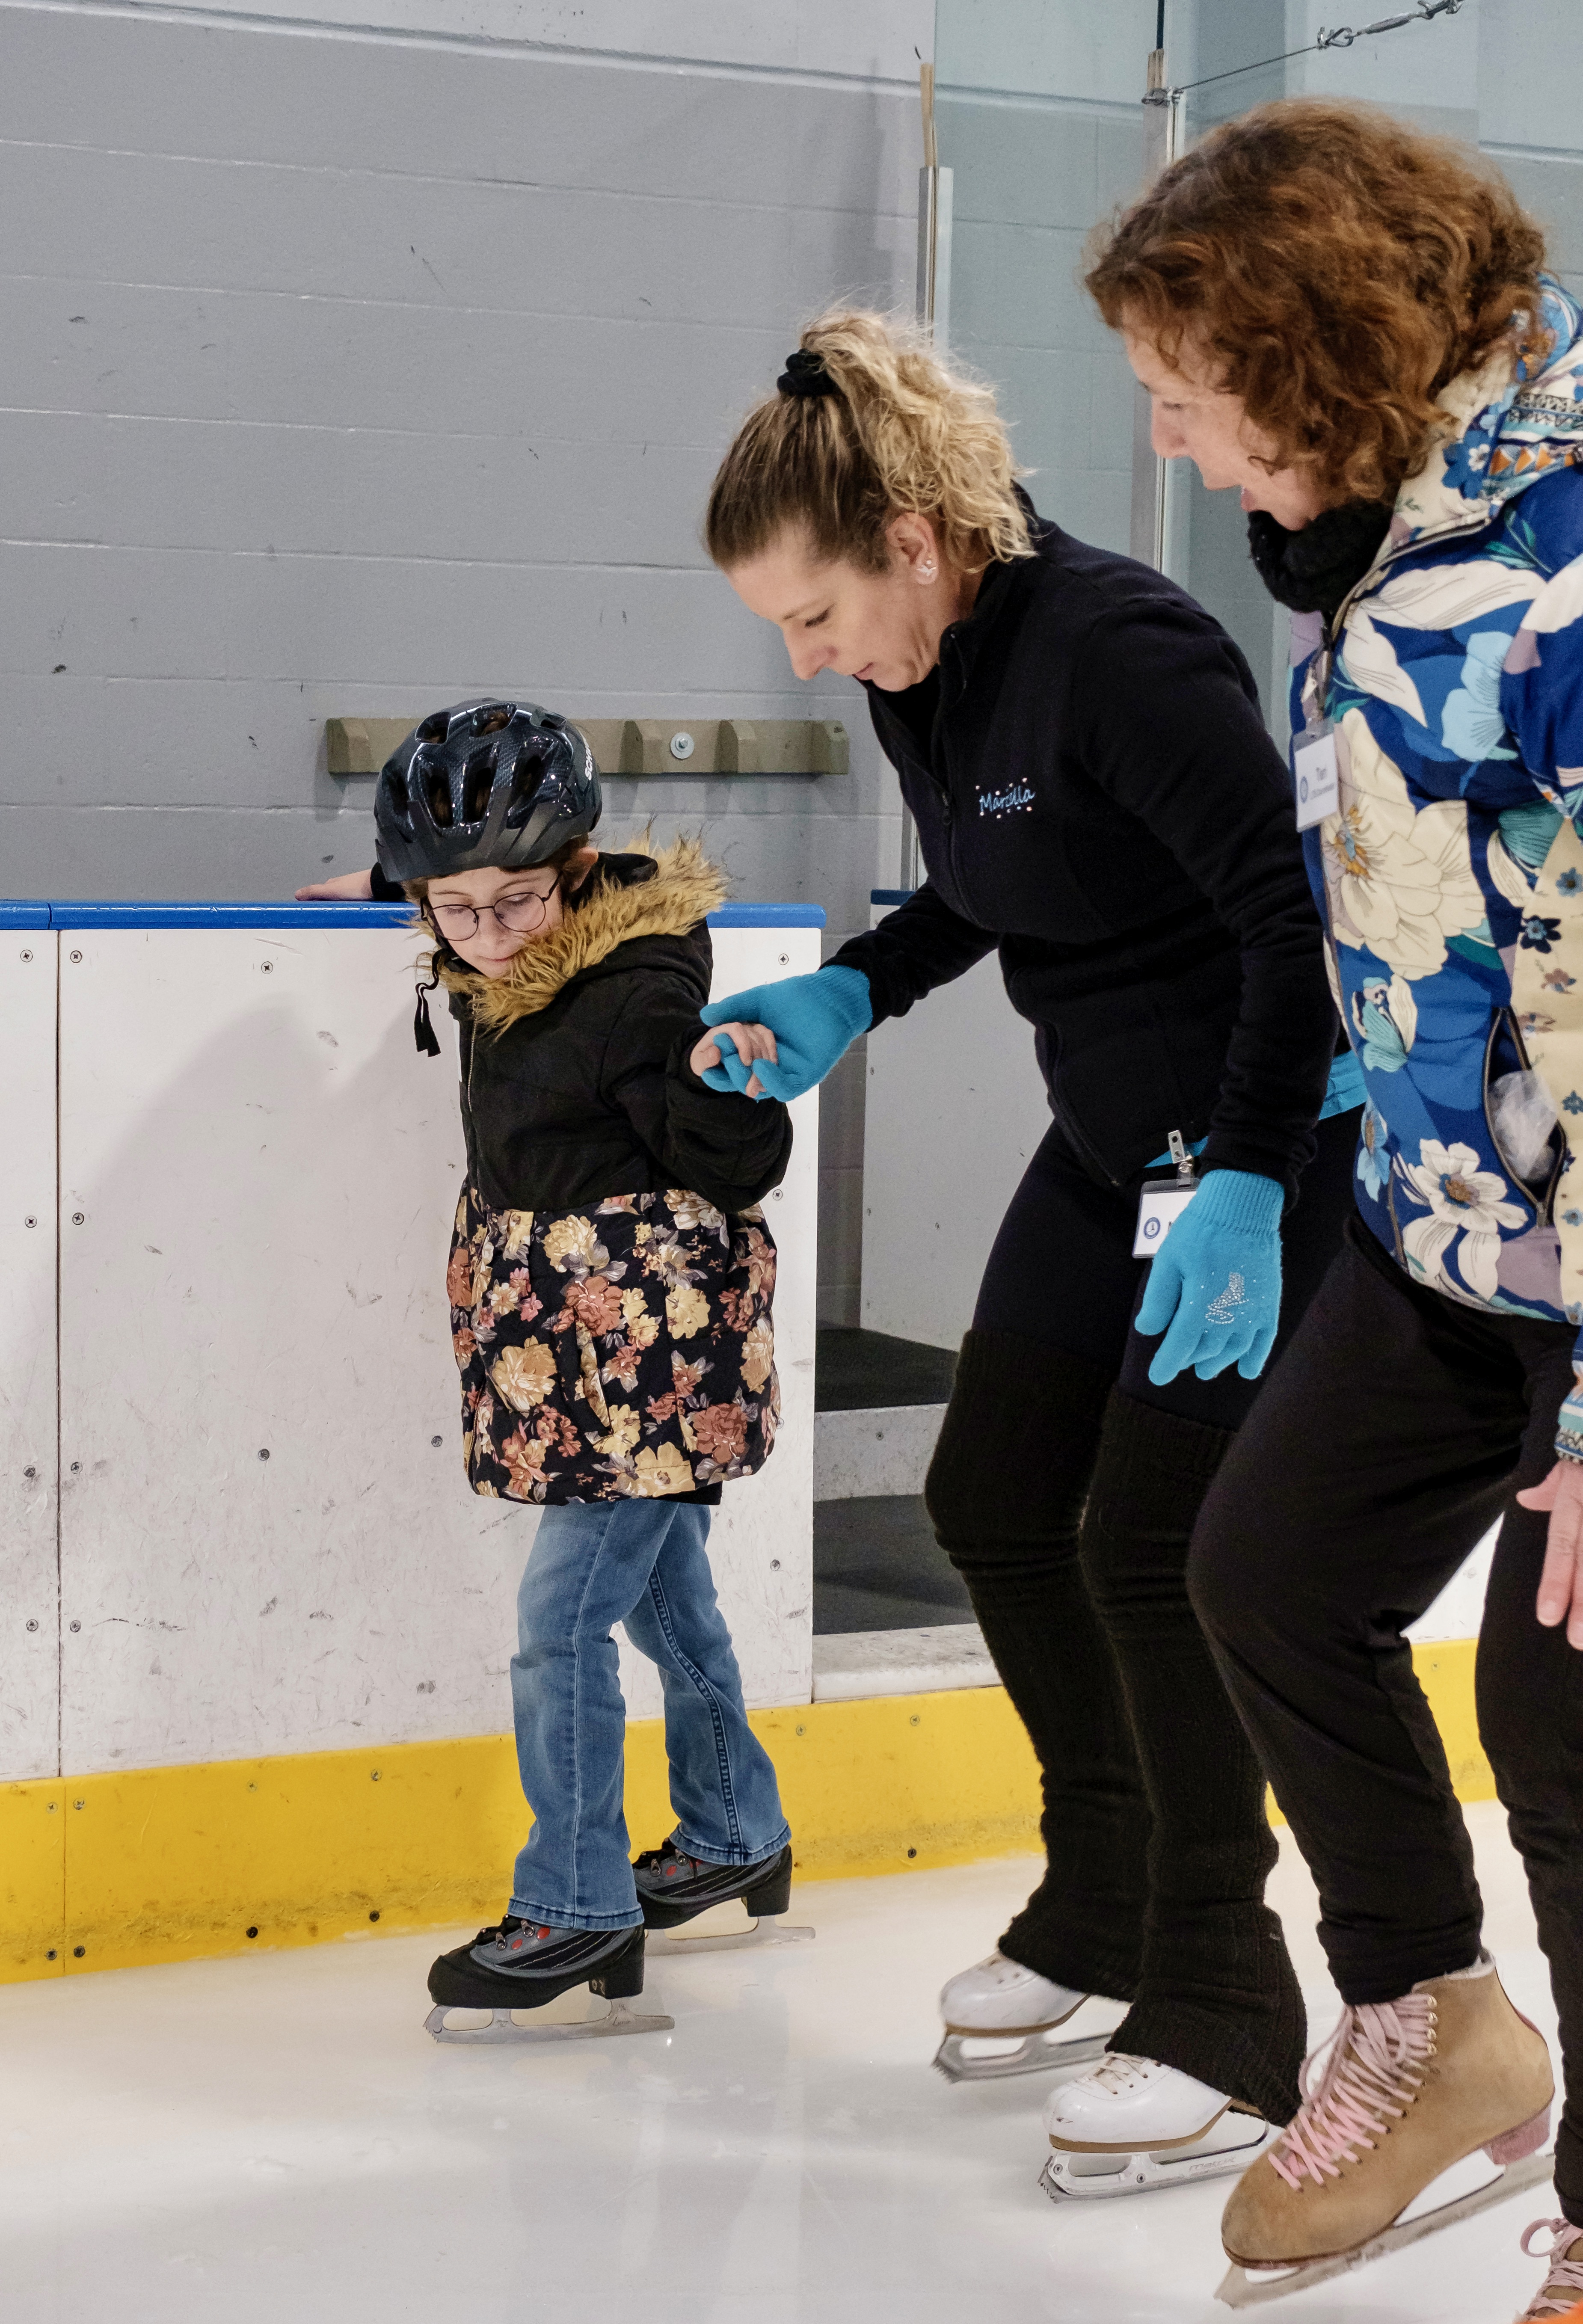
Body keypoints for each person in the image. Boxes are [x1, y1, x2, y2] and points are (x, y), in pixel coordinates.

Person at [697, 311, 1363, 2185]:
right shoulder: (928, 668)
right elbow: (991, 886)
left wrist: (1246, 1167)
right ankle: (1103, 1895)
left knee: (1152, 1548)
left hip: (1263, 1149)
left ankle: (1226, 2006)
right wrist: (857, 981)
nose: (810, 656)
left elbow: (1293, 934)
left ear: (912, 535)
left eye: (813, 614)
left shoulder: (1119, 651)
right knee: (994, 1496)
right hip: (1112, 1146)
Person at [1090, 98, 1583, 2311]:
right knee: (1269, 1568)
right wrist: (1287, 1172)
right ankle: (1435, 2022)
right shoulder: (1392, 544)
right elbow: (1415, 923)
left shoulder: (1562, 557)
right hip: (1453, 1223)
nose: (1180, 450)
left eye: (1188, 399)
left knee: (1563, 1713)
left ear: (1312, 351)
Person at [306, 699, 797, 2038]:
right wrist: (382, 886)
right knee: (664, 1599)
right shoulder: (497, 945)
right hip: (567, 1341)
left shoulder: (637, 992)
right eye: (451, 910)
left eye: (515, 901)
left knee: (560, 1625)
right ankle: (734, 1829)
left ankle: (578, 1902)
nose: (487, 935)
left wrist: (722, 1088)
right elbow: (465, 901)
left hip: (646, 1350)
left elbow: (741, 1170)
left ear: (577, 873)